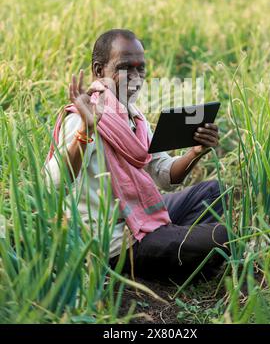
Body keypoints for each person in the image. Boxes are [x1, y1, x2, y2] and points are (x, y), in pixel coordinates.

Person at [44, 29, 229, 285]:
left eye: (141, 69)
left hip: (139, 217)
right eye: (124, 68)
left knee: (213, 192)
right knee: (222, 237)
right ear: (99, 71)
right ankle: (170, 262)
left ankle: (178, 251)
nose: (135, 78)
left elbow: (165, 175)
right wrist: (86, 131)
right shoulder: (82, 117)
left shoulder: (133, 117)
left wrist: (195, 152)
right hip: (115, 242)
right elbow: (54, 184)